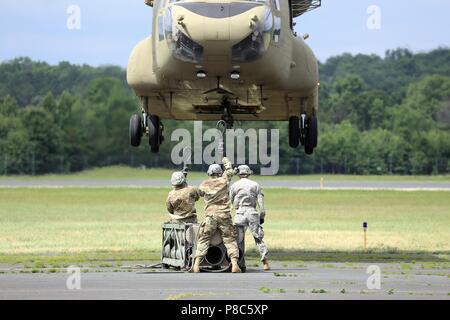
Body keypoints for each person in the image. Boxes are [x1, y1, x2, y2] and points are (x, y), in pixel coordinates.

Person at [192, 157, 241, 273]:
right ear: (220, 173)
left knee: (203, 238)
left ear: (209, 173)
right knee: (230, 239)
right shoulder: (224, 180)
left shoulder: (204, 184)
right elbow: (229, 171)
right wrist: (225, 161)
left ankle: (196, 265)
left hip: (210, 216)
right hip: (224, 215)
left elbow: (198, 194)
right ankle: (234, 264)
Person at [230, 165, 270, 271]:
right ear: (248, 173)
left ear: (239, 174)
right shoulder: (255, 185)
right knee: (258, 238)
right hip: (252, 212)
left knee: (239, 240)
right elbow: (261, 203)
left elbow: (231, 200)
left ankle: (240, 264)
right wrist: (262, 216)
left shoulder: (235, 185)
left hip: (239, 213)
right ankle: (265, 262)